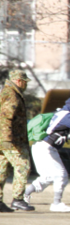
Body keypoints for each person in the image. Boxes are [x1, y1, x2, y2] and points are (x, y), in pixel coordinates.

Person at [24, 97, 70, 212]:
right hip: (46, 147)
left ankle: (24, 195)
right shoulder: (66, 115)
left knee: (48, 177)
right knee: (61, 174)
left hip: (40, 146)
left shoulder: (61, 113)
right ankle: (56, 204)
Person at [0, 70, 34, 212]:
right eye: (25, 82)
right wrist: (7, 139)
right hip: (12, 140)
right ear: (19, 81)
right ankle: (18, 199)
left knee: (2, 169)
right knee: (23, 165)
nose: (26, 85)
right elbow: (5, 118)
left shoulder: (6, 92)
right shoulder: (13, 96)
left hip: (3, 139)